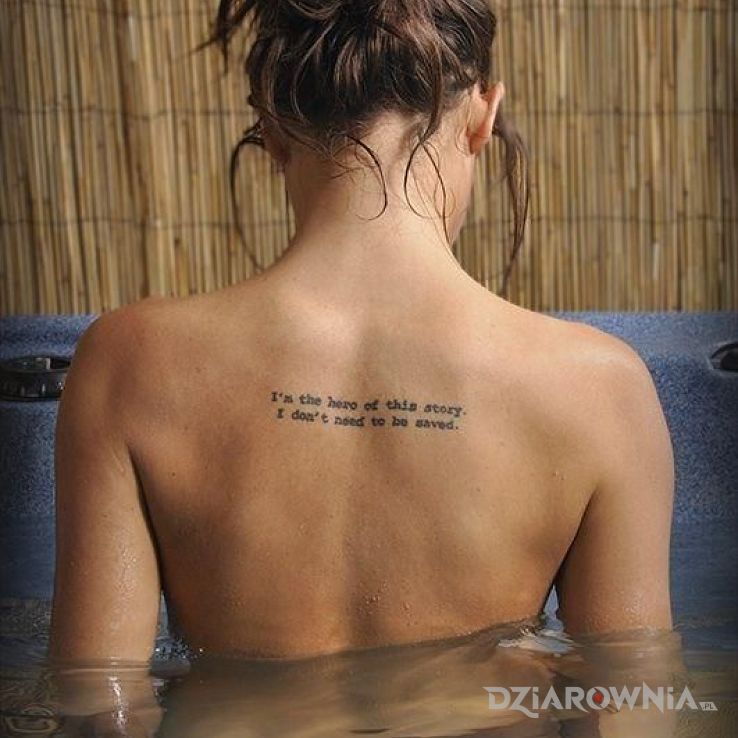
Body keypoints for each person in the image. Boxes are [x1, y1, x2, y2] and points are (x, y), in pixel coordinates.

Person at [50, 0, 674, 667]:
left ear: (271, 129)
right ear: (482, 118)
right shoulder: (601, 393)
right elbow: (632, 696)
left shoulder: (129, 364)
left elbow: (96, 695)